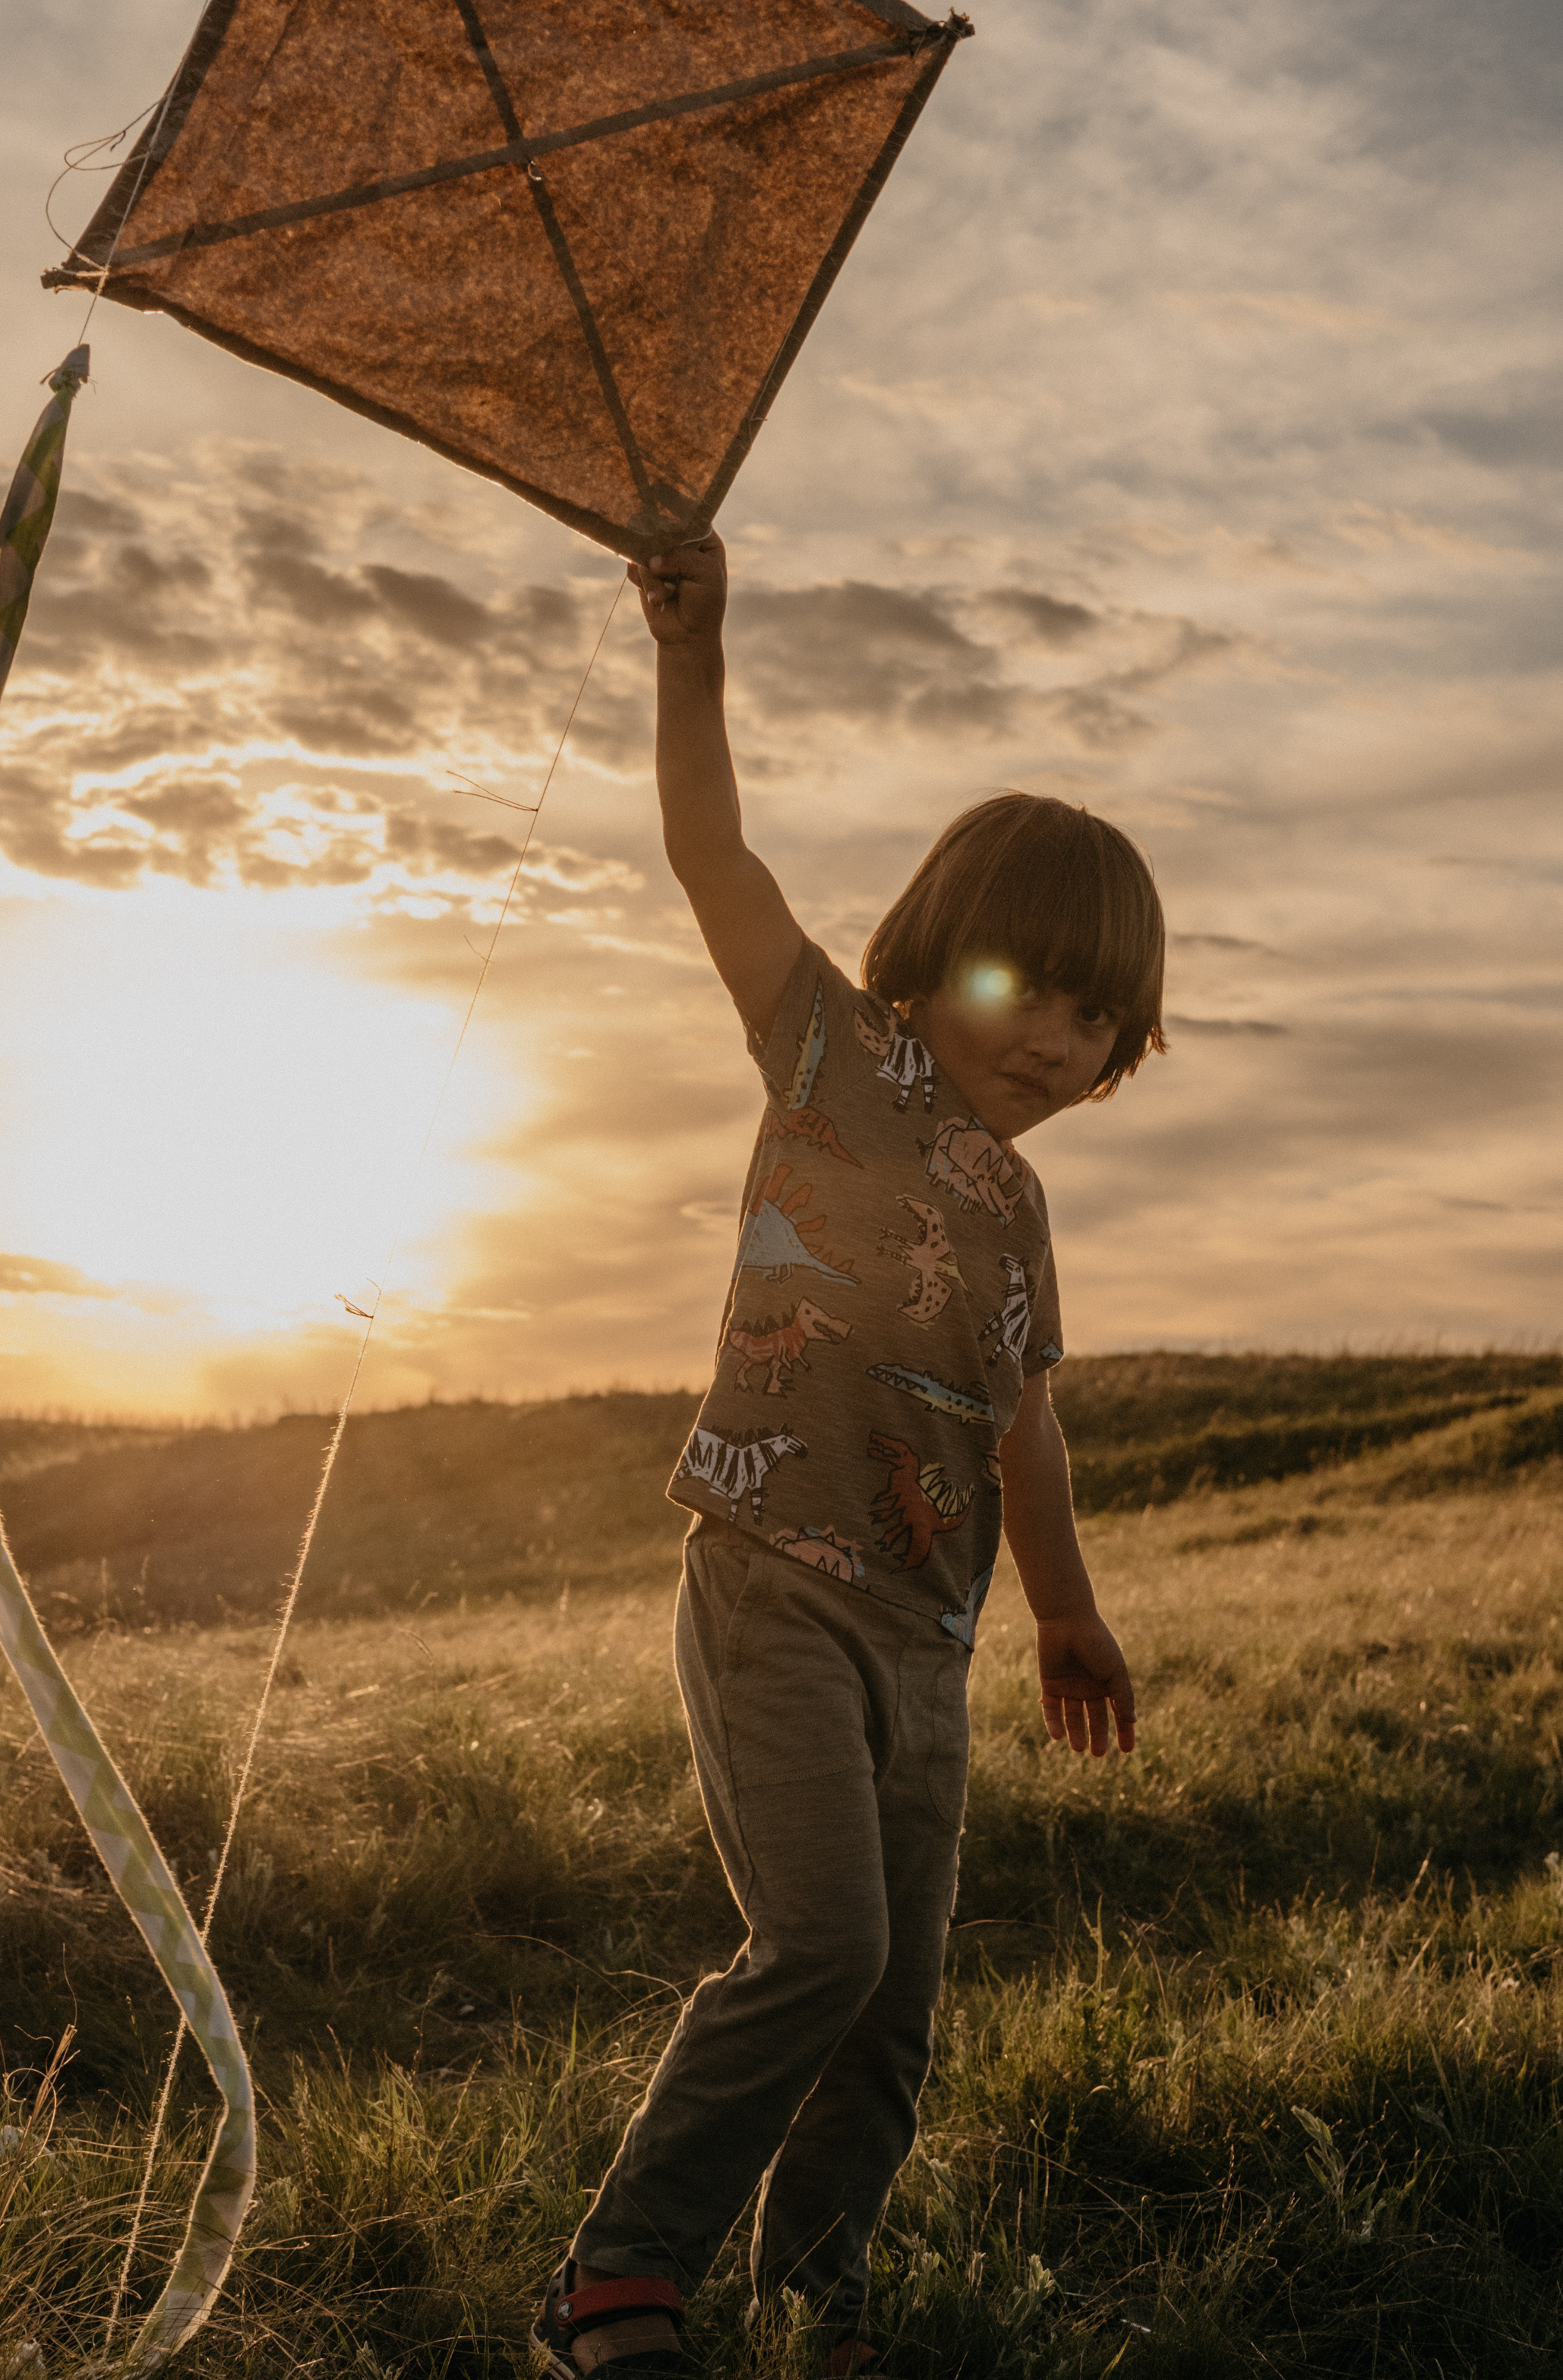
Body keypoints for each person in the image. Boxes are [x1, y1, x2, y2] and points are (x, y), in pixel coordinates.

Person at [532, 532, 1155, 2380]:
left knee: (891, 2006)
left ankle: (825, 2302)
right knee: (813, 1947)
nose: (1057, 1034)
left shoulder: (1023, 1209)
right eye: (1025, 983)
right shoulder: (832, 1061)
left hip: (928, 1641)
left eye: (1098, 1014)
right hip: (773, 1593)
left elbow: (1025, 1420)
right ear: (930, 957)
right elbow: (712, 854)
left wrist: (1067, 1618)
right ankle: (616, 2281)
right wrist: (693, 651)